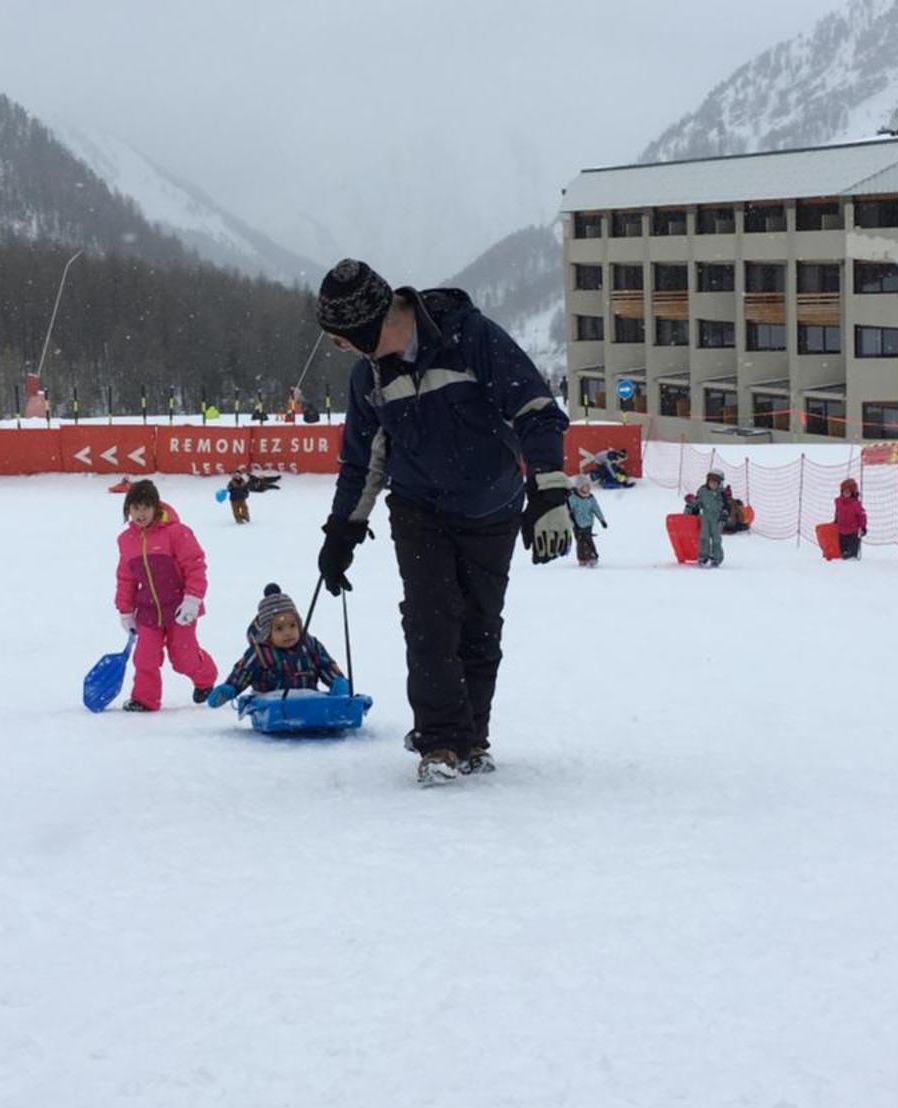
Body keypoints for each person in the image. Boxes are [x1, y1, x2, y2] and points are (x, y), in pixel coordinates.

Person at [314, 258, 570, 785]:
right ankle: (439, 742)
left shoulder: (468, 338)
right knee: (429, 622)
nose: (340, 350)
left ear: (369, 327)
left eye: (341, 339)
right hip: (419, 510)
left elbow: (536, 408)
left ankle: (472, 738)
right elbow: (361, 462)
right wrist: (343, 530)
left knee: (479, 625)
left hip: (492, 506)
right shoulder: (370, 379)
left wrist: (547, 489)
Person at [115, 479, 218, 712]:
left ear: (156, 507)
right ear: (127, 509)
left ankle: (206, 677)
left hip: (179, 607)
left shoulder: (176, 533)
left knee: (183, 659)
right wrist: (125, 610)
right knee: (144, 658)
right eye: (135, 508)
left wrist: (192, 599)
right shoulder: (126, 541)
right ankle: (144, 698)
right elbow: (125, 578)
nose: (140, 514)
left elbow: (195, 566)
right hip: (148, 610)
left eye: (145, 507)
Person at [206, 583, 349, 707]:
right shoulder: (260, 653)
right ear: (267, 633)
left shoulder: (310, 645)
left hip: (308, 699)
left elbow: (326, 665)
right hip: (271, 701)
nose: (288, 633)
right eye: (279, 628)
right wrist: (230, 689)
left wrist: (338, 682)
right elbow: (243, 672)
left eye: (293, 625)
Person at [691, 470, 728, 567]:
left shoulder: (722, 493)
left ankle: (716, 557)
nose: (713, 484)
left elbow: (727, 505)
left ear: (719, 483)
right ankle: (703, 556)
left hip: (717, 518)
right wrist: (691, 506)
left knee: (716, 539)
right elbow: (697, 502)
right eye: (711, 482)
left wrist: (725, 513)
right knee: (704, 537)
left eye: (716, 483)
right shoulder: (703, 491)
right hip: (706, 517)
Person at [568, 476, 607, 565]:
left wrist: (602, 520)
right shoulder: (573, 498)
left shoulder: (590, 498)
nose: (587, 488)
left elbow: (596, 509)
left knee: (588, 539)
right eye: (584, 487)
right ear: (579, 487)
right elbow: (567, 509)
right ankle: (582, 558)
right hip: (576, 524)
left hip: (588, 523)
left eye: (588, 486)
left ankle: (592, 556)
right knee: (580, 541)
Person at [834, 478, 868, 559]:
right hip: (841, 531)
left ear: (853, 493)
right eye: (844, 491)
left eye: (848, 492)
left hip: (853, 532)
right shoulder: (838, 502)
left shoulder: (856, 504)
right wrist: (836, 521)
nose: (846, 493)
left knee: (851, 556)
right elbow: (837, 512)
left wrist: (863, 527)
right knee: (842, 553)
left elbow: (862, 516)